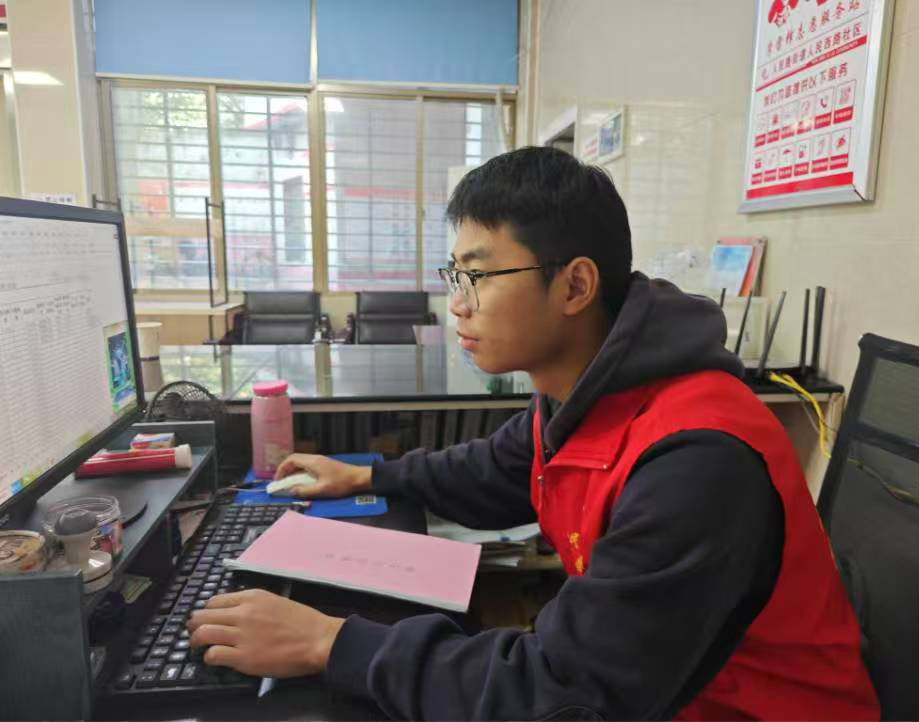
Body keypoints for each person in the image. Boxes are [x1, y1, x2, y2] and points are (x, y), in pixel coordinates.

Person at [188, 147, 879, 720]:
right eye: (455, 275)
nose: (457, 305)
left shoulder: (696, 458)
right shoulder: (581, 395)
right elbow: (495, 468)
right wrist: (368, 475)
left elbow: (561, 693)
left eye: (479, 275)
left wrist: (330, 643)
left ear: (575, 286)